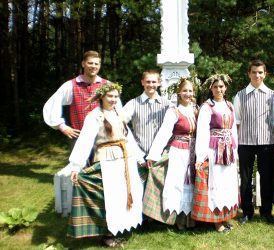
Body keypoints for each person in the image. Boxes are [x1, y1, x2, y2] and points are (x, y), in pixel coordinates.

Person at [66, 83, 145, 247]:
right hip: (107, 160)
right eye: (110, 96)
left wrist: (139, 157)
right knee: (111, 196)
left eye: (116, 96)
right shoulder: (95, 116)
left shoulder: (119, 113)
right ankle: (108, 233)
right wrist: (76, 165)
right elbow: (85, 140)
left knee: (126, 194)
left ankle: (120, 227)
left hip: (125, 158)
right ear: (101, 97)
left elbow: (127, 137)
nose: (114, 99)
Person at [146, 77, 198, 230]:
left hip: (192, 152)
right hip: (178, 152)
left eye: (190, 90)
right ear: (179, 92)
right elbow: (164, 133)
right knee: (177, 184)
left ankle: (190, 219)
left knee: (190, 183)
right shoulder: (174, 111)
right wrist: (153, 154)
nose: (187, 93)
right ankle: (177, 220)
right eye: (185, 91)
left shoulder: (196, 109)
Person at [233, 59, 274, 224]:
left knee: (266, 178)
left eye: (260, 72)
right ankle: (247, 212)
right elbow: (236, 121)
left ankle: (267, 212)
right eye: (254, 72)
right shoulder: (239, 95)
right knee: (245, 178)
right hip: (245, 143)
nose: (257, 75)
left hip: (266, 143)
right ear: (249, 73)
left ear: (265, 74)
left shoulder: (273, 95)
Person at [123, 70, 172, 224]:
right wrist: (136, 152)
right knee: (139, 186)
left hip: (160, 154)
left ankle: (156, 217)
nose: (151, 85)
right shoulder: (133, 103)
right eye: (148, 81)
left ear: (158, 83)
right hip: (139, 152)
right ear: (142, 82)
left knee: (158, 186)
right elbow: (121, 124)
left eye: (154, 82)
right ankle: (139, 218)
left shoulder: (167, 104)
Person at [192, 74, 239, 233]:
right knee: (216, 183)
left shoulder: (230, 105)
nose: (219, 89)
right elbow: (202, 132)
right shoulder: (207, 107)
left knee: (227, 183)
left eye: (221, 86)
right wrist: (201, 156)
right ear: (211, 89)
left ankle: (225, 217)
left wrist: (235, 150)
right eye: (215, 87)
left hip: (229, 149)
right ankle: (216, 221)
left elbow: (233, 130)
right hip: (214, 150)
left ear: (225, 88)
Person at [43, 50, 111, 139]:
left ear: (100, 65)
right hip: (79, 138)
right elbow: (52, 104)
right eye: (90, 63)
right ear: (83, 64)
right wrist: (63, 127)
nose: (93, 66)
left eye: (96, 64)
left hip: (104, 138)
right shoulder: (70, 85)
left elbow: (117, 110)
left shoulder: (107, 85)